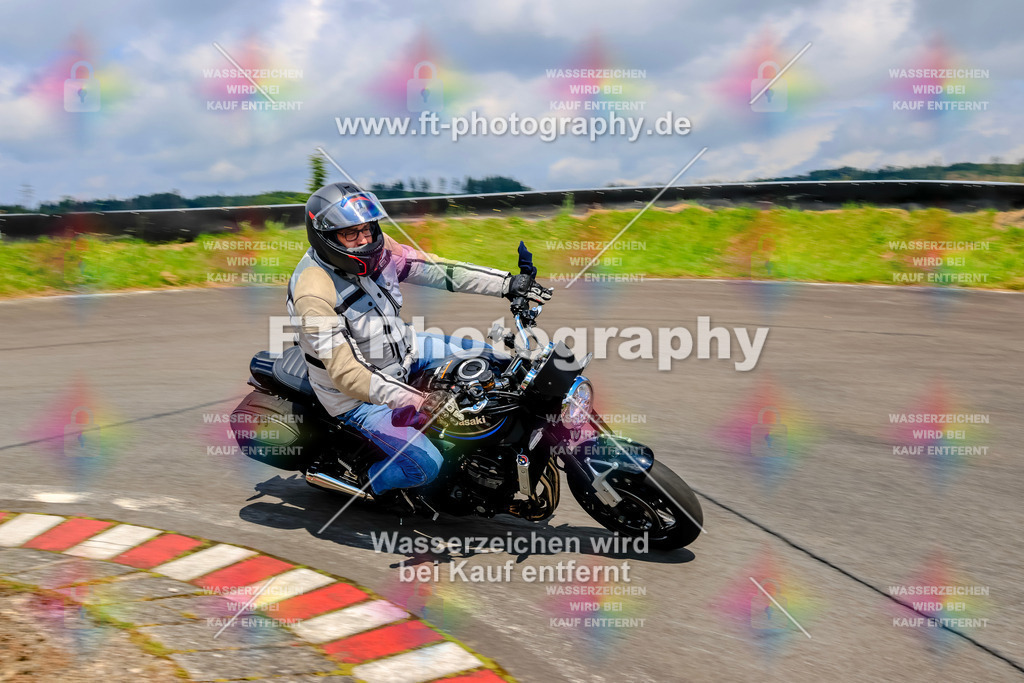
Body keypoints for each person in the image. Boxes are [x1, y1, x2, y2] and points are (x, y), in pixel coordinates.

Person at [287, 182, 551, 497]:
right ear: (326, 237)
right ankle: (370, 483)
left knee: (497, 363)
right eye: (351, 234)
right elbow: (348, 373)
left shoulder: (381, 251)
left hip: (408, 350)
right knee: (426, 465)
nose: (365, 240)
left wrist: (507, 284)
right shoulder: (313, 292)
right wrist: (419, 401)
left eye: (368, 230)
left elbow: (439, 271)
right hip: (357, 397)